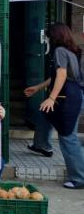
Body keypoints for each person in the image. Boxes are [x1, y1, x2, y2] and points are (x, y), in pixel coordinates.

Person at [26, 23, 84, 189]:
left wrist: (51, 98)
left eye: (48, 36)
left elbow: (62, 75)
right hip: (73, 94)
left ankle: (79, 178)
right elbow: (57, 76)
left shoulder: (59, 51)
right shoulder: (73, 51)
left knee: (68, 137)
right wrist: (38, 88)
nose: (47, 39)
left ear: (55, 36)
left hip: (67, 97)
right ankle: (42, 145)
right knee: (45, 113)